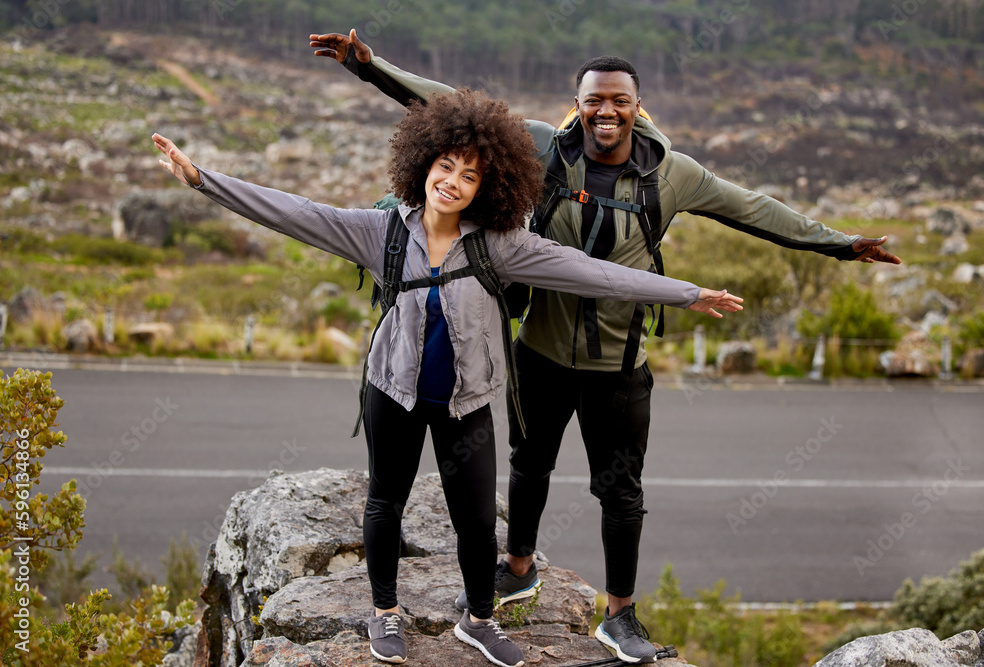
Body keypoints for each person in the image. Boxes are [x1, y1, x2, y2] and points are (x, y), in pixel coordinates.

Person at [309, 30, 903, 664]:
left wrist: (840, 243)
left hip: (618, 365)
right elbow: (451, 106)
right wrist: (369, 68)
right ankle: (518, 568)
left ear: (637, 107)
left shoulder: (672, 176)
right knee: (528, 465)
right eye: (595, 100)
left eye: (620, 100)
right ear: (578, 103)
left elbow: (752, 207)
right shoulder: (543, 148)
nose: (606, 111)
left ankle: (619, 616)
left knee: (620, 491)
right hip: (537, 350)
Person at [152, 89, 743, 667]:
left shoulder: (502, 247)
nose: (453, 182)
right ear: (425, 164)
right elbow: (297, 214)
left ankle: (479, 621)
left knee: (478, 520)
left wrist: (687, 294)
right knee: (386, 502)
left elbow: (596, 275)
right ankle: (384, 610)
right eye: (446, 166)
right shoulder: (379, 232)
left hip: (466, 403)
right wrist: (203, 179)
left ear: (489, 189)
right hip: (394, 392)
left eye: (470, 176)